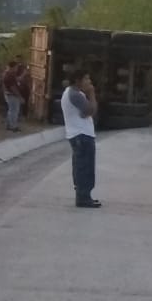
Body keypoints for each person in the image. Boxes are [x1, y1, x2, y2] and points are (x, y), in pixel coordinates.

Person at [61, 70, 100, 208]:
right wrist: (92, 94)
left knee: (81, 167)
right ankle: (83, 197)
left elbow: (86, 112)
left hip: (80, 135)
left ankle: (84, 195)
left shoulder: (74, 93)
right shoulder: (75, 94)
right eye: (86, 80)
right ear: (78, 80)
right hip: (81, 135)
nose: (89, 83)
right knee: (85, 168)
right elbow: (90, 111)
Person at [1, 60, 22, 131]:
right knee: (14, 111)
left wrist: (24, 74)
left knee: (11, 110)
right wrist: (20, 97)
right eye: (16, 67)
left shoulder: (7, 73)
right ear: (13, 67)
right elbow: (13, 88)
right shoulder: (9, 75)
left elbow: (16, 80)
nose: (17, 69)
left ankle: (9, 125)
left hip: (8, 94)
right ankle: (13, 126)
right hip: (12, 95)